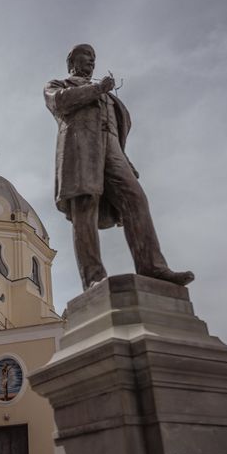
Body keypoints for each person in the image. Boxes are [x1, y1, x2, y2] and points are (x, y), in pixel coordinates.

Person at [44, 44, 194, 290]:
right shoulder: (59, 85)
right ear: (72, 61)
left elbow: (115, 131)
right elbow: (59, 104)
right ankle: (93, 278)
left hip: (112, 150)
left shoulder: (109, 98)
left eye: (94, 58)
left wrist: (126, 161)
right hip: (80, 150)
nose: (91, 61)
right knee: (85, 206)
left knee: (136, 199)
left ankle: (153, 267)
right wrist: (97, 89)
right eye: (86, 56)